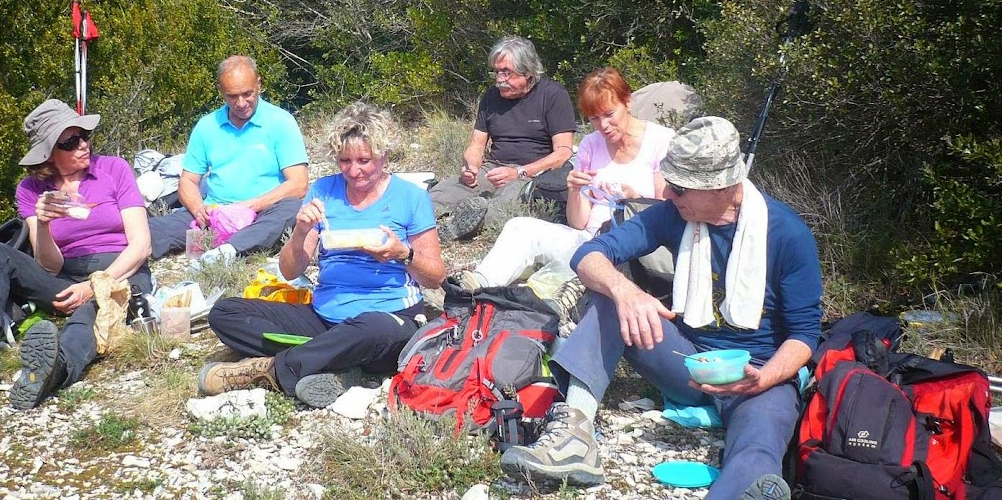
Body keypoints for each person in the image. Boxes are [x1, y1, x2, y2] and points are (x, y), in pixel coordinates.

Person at [500, 117, 822, 500]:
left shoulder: (787, 234)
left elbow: (805, 335)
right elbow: (589, 254)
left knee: (757, 448)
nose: (668, 193)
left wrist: (765, 379)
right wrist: (626, 292)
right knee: (609, 301)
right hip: (687, 362)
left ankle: (741, 491)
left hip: (757, 374)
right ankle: (574, 437)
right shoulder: (675, 213)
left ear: (720, 186)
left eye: (680, 187)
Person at [0, 100, 153, 410]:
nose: (83, 145)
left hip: (121, 271)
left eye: (85, 136)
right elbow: (51, 265)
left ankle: (57, 368)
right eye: (70, 141)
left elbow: (141, 245)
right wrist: (45, 225)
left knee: (95, 309)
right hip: (65, 276)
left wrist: (93, 286)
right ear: (50, 152)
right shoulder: (31, 190)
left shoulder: (114, 170)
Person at [198, 102, 445, 408]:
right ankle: (336, 361)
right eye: (345, 161)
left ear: (383, 154)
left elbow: (435, 276)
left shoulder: (411, 197)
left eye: (364, 160)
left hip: (388, 316)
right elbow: (290, 271)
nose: (354, 171)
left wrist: (403, 254)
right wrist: (301, 230)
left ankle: (275, 369)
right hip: (326, 315)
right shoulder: (323, 191)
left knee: (372, 330)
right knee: (224, 313)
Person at [455, 68, 673, 296]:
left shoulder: (660, 141)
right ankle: (474, 287)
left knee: (562, 279)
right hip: (589, 240)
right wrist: (575, 190)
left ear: (627, 102)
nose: (604, 126)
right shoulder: (591, 144)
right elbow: (578, 223)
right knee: (520, 227)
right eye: (594, 118)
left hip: (633, 249)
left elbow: (667, 212)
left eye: (609, 114)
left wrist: (634, 199)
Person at [148, 56, 309, 260]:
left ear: (258, 85)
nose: (241, 103)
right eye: (232, 96)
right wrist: (199, 210)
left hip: (262, 213)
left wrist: (248, 207)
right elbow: (188, 181)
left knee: (292, 208)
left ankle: (227, 251)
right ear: (221, 91)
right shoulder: (207, 126)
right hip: (215, 214)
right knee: (143, 229)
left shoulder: (281, 122)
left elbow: (299, 184)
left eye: (247, 94)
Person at [429, 36, 576, 239]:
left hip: (531, 174)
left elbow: (563, 153)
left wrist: (519, 172)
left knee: (501, 207)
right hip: (493, 167)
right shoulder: (491, 96)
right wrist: (470, 167)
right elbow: (476, 144)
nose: (499, 79)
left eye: (506, 72)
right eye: (496, 72)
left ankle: (455, 227)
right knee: (437, 195)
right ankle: (411, 220)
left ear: (528, 72)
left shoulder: (553, 95)